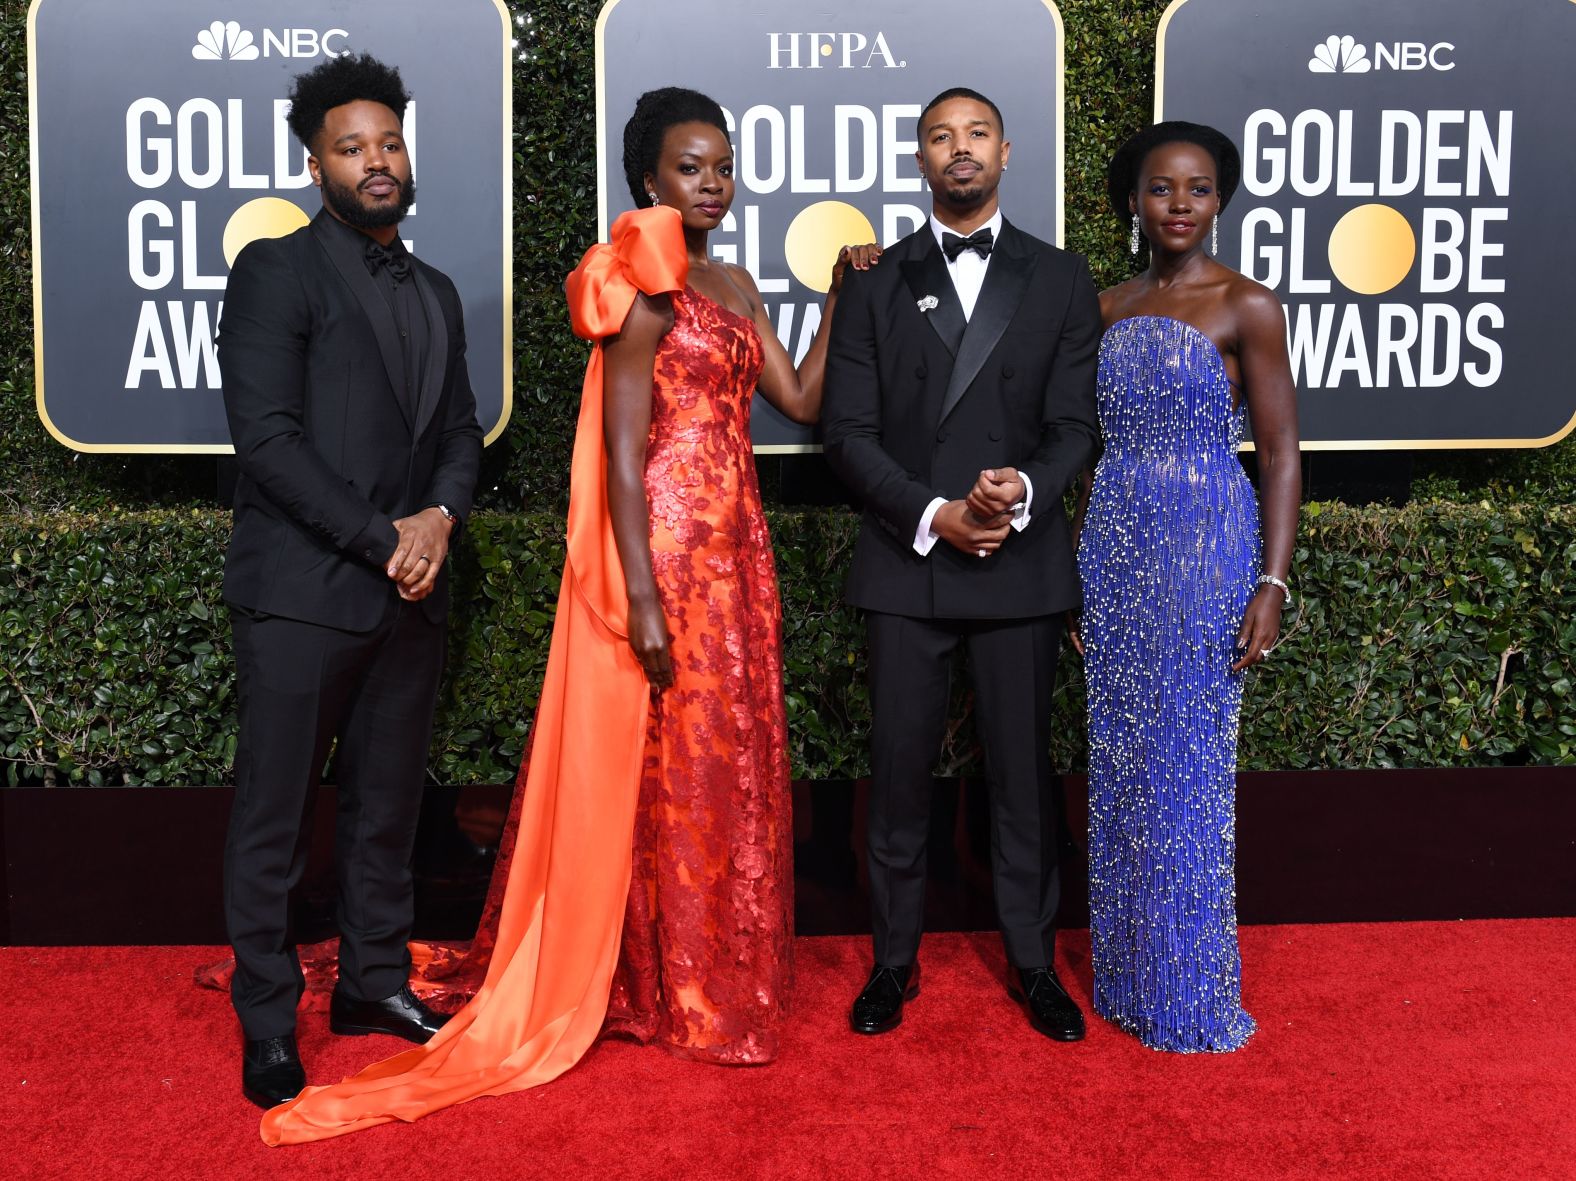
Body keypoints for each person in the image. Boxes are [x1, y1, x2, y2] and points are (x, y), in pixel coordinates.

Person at [257, 86, 875, 1144]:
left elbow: (805, 402)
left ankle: (706, 976)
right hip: (668, 557)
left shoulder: (733, 279)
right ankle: (652, 981)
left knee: (716, 768)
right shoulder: (639, 282)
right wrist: (641, 596)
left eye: (723, 165)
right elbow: (626, 463)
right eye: (691, 166)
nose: (713, 182)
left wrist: (837, 298)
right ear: (649, 180)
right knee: (656, 774)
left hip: (739, 556)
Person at [218, 53, 482, 1109]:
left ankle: (374, 985)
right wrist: (386, 537)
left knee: (383, 810)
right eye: (350, 147)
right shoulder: (276, 272)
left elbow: (460, 433)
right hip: (302, 592)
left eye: (388, 142)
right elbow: (268, 445)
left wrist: (439, 517)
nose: (376, 162)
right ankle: (268, 1021)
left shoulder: (439, 289)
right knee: (275, 820)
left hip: (407, 594)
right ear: (313, 163)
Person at [821, 87, 1101, 1042]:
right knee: (896, 776)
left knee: (1024, 778)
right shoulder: (871, 279)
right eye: (940, 136)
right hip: (908, 561)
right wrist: (936, 510)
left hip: (1019, 562)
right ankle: (892, 962)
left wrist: (1016, 493)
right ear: (919, 158)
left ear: (1008, 151)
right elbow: (846, 433)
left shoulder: (1062, 279)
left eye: (976, 133)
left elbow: (1073, 427)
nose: (960, 149)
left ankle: (1034, 963)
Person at [1072, 121, 1300, 1052]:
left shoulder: (1248, 305)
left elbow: (1281, 454)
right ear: (1133, 199)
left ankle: (1188, 985)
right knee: (1125, 763)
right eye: (1160, 188)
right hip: (1115, 542)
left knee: (1188, 766)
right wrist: (1077, 576)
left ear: (1219, 201)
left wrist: (1273, 582)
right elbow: (1082, 454)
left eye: (1198, 189)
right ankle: (1128, 973)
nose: (1177, 204)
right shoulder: (1102, 306)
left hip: (1208, 545)